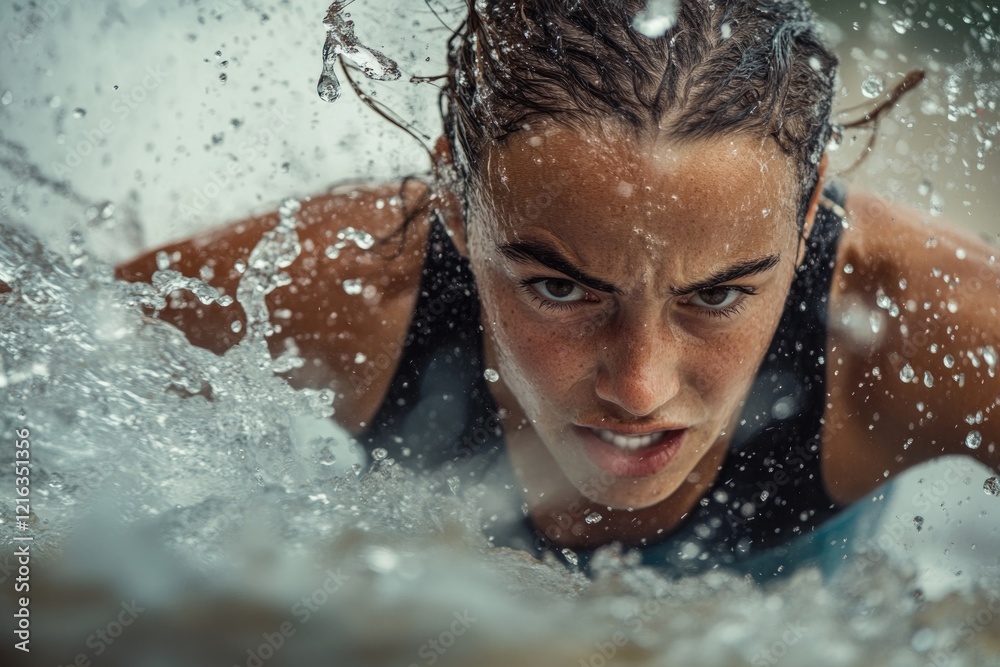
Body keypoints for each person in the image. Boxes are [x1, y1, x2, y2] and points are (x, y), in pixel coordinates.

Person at [111, 0, 999, 577]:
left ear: (807, 215)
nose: (639, 388)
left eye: (718, 296)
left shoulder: (917, 333)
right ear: (458, 206)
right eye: (560, 290)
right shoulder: (341, 291)